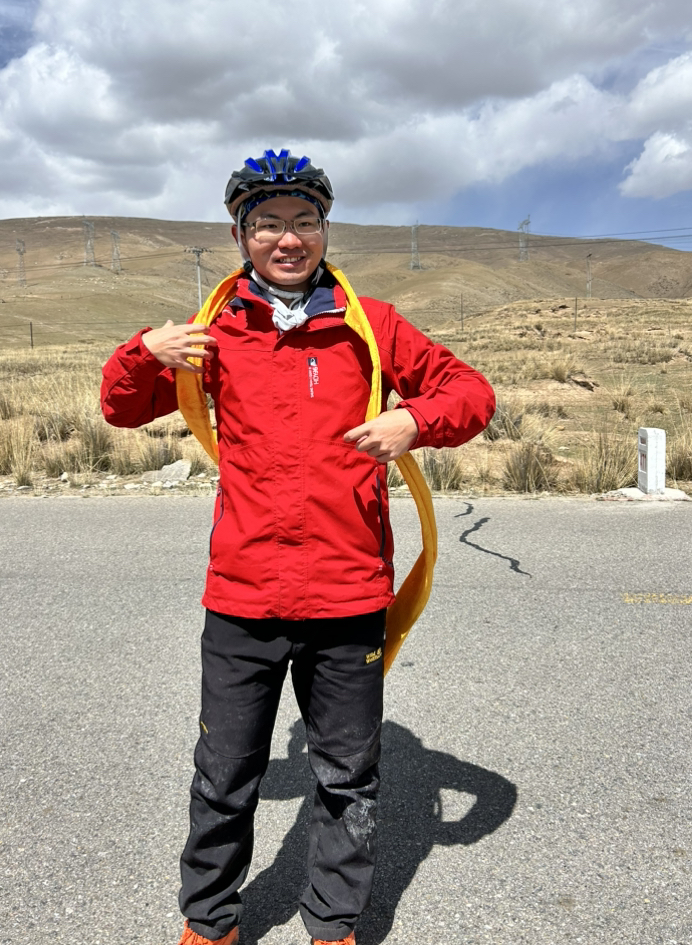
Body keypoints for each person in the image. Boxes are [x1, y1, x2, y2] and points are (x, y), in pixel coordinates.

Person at [100, 149, 495, 945]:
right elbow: (122, 408)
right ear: (240, 235)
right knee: (224, 775)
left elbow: (471, 393)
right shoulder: (213, 332)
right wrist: (145, 352)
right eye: (269, 223)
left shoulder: (370, 325)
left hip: (347, 594)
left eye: (305, 221)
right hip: (243, 595)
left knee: (348, 778)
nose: (289, 238)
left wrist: (414, 419)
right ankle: (209, 920)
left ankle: (334, 923)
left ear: (325, 228)